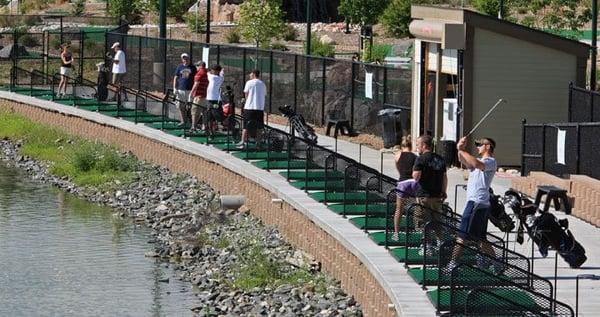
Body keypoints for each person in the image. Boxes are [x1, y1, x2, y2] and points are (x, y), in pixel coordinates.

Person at [448, 137, 499, 271]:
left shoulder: (490, 162)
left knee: (462, 235)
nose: (477, 147)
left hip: (476, 203)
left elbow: (476, 164)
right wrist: (460, 149)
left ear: (487, 146)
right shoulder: (479, 161)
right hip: (479, 203)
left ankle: (452, 263)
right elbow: (463, 160)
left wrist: (461, 149)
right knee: (481, 238)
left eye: (479, 145)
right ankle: (498, 265)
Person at [412, 135, 448, 227]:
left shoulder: (420, 159)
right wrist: (443, 191)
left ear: (424, 145)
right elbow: (444, 178)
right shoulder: (440, 159)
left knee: (421, 221)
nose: (416, 147)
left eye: (417, 145)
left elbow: (416, 177)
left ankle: (425, 240)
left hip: (424, 196)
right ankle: (440, 240)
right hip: (437, 196)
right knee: (437, 222)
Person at [392, 136, 419, 241]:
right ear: (411, 146)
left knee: (399, 209)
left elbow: (398, 169)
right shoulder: (415, 156)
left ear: (401, 146)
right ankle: (417, 227)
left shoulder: (397, 155)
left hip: (403, 183)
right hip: (414, 182)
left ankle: (396, 233)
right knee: (418, 206)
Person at [238, 69, 266, 147]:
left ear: (253, 74)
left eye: (250, 74)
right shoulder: (262, 83)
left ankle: (243, 141)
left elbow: (246, 93)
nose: (249, 75)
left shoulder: (249, 83)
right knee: (259, 126)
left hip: (249, 108)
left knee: (246, 125)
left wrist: (247, 102)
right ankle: (258, 142)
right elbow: (264, 94)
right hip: (259, 108)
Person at [173, 53, 197, 127]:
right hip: (181, 89)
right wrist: (174, 87)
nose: (185, 60)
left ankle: (191, 123)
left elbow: (196, 79)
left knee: (190, 107)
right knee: (181, 106)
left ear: (189, 59)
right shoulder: (179, 67)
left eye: (186, 58)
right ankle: (183, 121)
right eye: (184, 58)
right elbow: (175, 77)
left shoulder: (193, 67)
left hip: (190, 90)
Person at [205, 64, 224, 137]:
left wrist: (207, 69)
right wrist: (222, 71)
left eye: (213, 70)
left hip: (213, 100)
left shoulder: (213, 77)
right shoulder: (221, 77)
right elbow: (222, 74)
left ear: (216, 71)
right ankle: (211, 132)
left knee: (216, 117)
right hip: (214, 99)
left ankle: (216, 129)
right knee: (211, 117)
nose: (211, 70)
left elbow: (207, 73)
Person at [189, 61, 209, 131]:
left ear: (200, 66)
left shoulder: (199, 73)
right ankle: (204, 126)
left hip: (198, 96)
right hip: (205, 96)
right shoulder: (207, 73)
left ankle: (193, 127)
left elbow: (196, 84)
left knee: (194, 112)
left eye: (197, 66)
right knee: (204, 112)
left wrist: (191, 93)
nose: (196, 67)